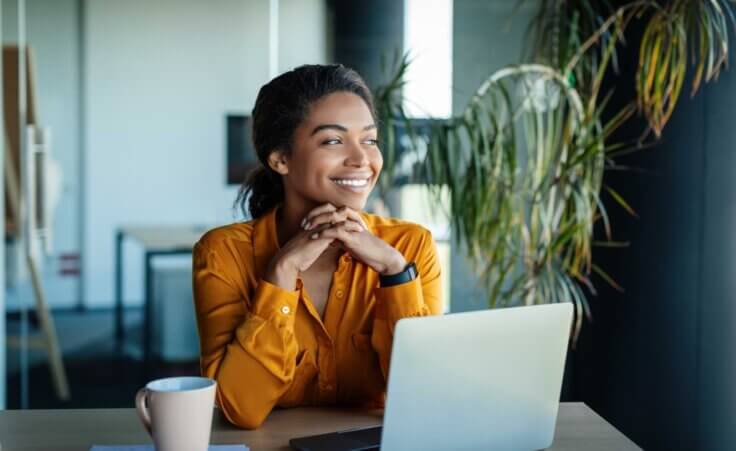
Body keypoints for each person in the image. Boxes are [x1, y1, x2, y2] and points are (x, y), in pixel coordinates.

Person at [192, 64, 442, 429]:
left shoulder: (408, 247)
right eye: (333, 141)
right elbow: (239, 409)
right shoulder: (223, 253)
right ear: (280, 159)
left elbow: (425, 397)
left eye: (369, 140)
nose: (362, 160)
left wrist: (395, 274)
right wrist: (280, 275)